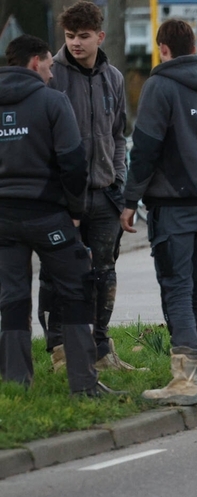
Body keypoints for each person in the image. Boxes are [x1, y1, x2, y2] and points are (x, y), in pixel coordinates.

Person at [120, 19, 197, 406]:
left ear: (164, 48)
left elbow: (145, 149)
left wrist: (128, 200)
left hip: (173, 207)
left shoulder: (161, 86)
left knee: (177, 288)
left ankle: (184, 382)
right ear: (193, 47)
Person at [0, 35, 110, 396]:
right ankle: (84, 384)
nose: (51, 73)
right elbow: (73, 163)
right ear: (35, 62)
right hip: (49, 217)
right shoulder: (52, 101)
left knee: (12, 299)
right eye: (48, 65)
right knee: (77, 290)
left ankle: (17, 386)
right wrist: (75, 213)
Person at [40, 1, 137, 373]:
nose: (76, 43)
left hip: (106, 194)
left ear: (100, 35)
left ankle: (100, 347)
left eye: (83, 36)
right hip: (65, 199)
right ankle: (61, 351)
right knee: (60, 273)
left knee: (104, 272)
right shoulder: (53, 76)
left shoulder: (112, 77)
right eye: (69, 37)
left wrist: (120, 182)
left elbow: (118, 136)